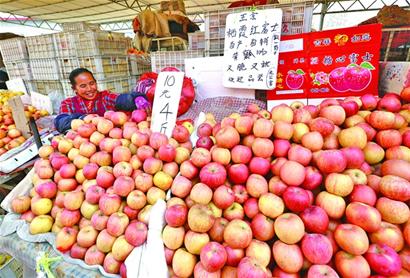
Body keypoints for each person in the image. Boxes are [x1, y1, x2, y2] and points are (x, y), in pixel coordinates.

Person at [54, 68, 149, 133]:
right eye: (83, 86)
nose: (89, 89)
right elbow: (61, 123)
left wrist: (136, 98)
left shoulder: (105, 97)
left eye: (92, 83)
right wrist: (83, 118)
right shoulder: (68, 104)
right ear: (74, 88)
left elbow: (122, 99)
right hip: (82, 149)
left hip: (111, 145)